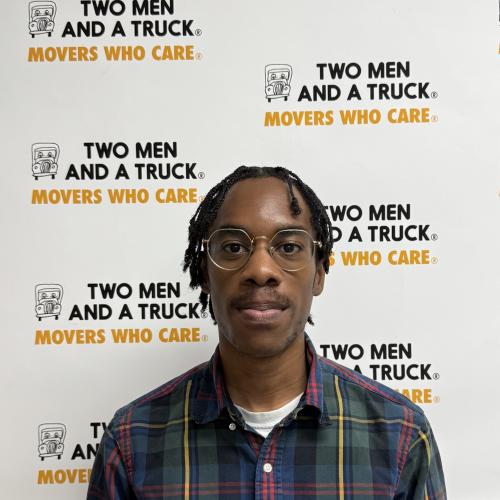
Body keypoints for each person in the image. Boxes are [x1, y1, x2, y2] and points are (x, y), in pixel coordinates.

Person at [87, 166, 446, 499]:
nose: (260, 269)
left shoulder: (400, 435)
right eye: (233, 248)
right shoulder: (133, 439)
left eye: (288, 247)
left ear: (319, 272)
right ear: (204, 275)